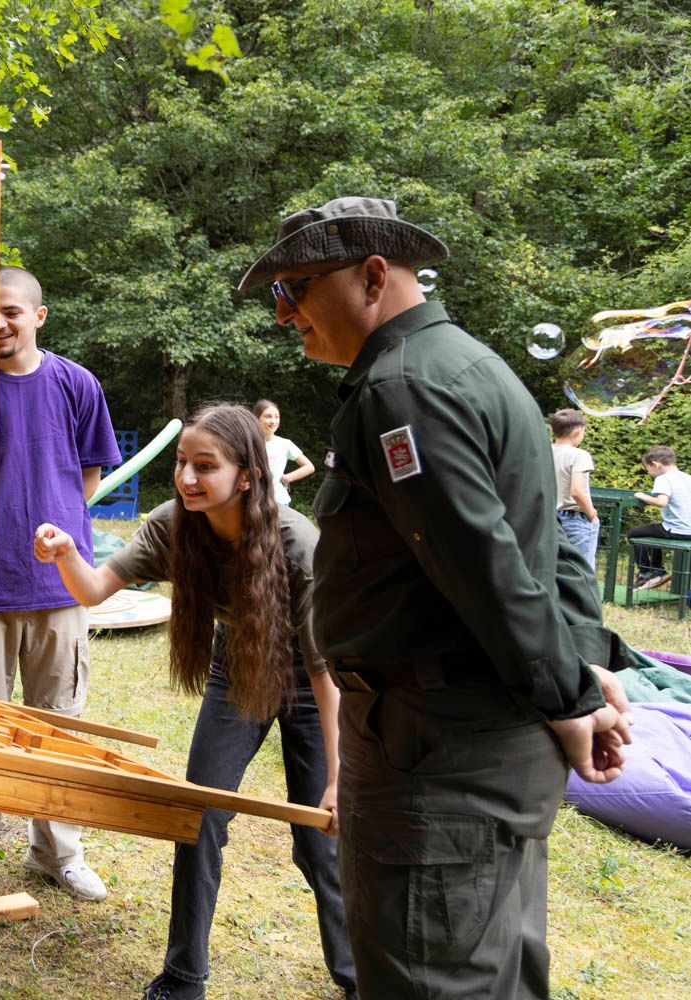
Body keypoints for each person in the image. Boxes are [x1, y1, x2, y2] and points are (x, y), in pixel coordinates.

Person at [240, 196, 631, 999]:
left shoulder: (402, 389)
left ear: (371, 276)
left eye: (294, 289)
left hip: (436, 758)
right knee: (497, 972)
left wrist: (570, 691)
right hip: (472, 749)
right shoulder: (473, 367)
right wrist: (582, 667)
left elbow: (484, 561)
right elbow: (549, 545)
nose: (282, 314)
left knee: (432, 977)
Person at [34, 405, 356, 1000]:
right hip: (237, 666)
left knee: (319, 839)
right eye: (182, 462)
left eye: (205, 466)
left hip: (310, 679)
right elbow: (94, 589)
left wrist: (339, 778)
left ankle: (359, 976)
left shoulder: (298, 546)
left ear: (247, 476)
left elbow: (324, 673)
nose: (186, 477)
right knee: (198, 818)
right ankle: (184, 976)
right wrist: (67, 553)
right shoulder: (172, 526)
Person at [0, 265, 121, 901]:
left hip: (60, 586)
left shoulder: (76, 384)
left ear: (38, 316)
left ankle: (57, 852)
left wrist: (55, 520)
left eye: (10, 311)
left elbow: (88, 476)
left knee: (57, 725)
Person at [628, 445, 691, 590]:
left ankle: (646, 573)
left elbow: (662, 502)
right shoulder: (687, 477)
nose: (649, 473)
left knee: (633, 533)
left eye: (647, 469)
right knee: (654, 530)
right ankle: (657, 570)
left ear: (655, 465)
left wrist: (641, 495)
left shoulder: (663, 479)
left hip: (677, 530)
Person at [550, 408, 600, 568]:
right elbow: (576, 491)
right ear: (578, 432)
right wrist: (592, 514)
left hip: (548, 517)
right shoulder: (580, 455)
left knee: (553, 568)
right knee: (582, 570)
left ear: (552, 430)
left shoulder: (544, 451)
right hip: (575, 520)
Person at [251, 398, 314, 505]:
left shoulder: (285, 444)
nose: (273, 421)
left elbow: (309, 467)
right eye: (268, 416)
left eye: (277, 417)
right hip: (254, 501)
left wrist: (287, 478)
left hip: (280, 502)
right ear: (256, 418)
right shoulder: (248, 443)